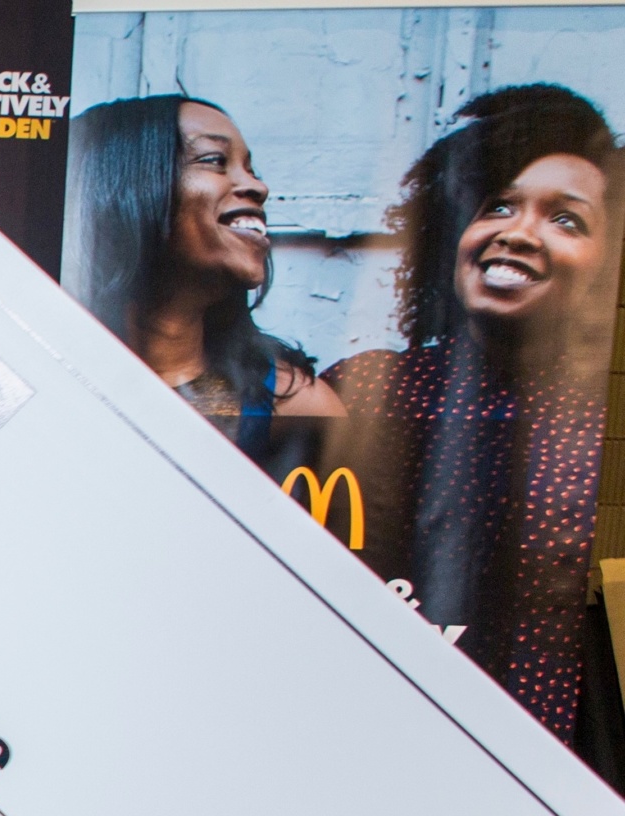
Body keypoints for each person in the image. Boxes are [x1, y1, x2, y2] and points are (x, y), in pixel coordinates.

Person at [320, 85, 623, 779]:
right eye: (499, 206)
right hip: (367, 749)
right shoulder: (360, 390)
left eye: (567, 220)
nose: (518, 232)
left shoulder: (599, 437)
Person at [63, 95, 343, 454]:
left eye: (251, 170)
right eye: (214, 161)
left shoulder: (293, 407)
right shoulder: (41, 378)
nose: (259, 188)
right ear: (122, 190)